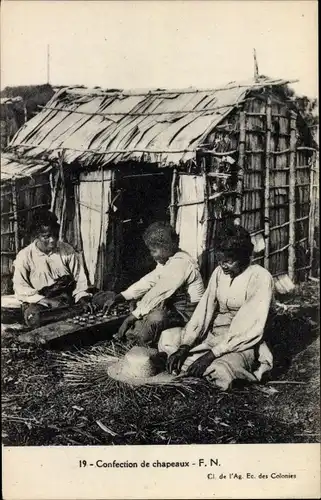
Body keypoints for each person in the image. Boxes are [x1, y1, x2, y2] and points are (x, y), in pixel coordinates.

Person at [163, 224, 274, 390]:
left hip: (242, 342)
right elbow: (203, 310)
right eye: (220, 261)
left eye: (228, 261)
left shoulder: (260, 278)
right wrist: (185, 345)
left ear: (243, 257)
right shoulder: (219, 273)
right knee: (167, 338)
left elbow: (248, 329)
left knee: (222, 371)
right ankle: (190, 362)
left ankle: (199, 364)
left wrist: (212, 354)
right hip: (213, 335)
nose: (223, 266)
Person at [104, 221, 205, 347]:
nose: (152, 255)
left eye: (153, 251)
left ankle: (131, 343)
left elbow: (158, 292)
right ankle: (130, 338)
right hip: (176, 310)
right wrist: (120, 297)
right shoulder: (169, 262)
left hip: (187, 315)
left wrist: (131, 318)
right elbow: (148, 281)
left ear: (165, 247)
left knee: (154, 318)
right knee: (142, 309)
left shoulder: (181, 263)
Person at [13, 210, 94, 327]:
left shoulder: (67, 250)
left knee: (104, 298)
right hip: (42, 302)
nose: (52, 240)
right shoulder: (25, 256)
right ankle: (74, 312)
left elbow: (80, 280)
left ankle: (73, 311)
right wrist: (49, 302)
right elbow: (20, 289)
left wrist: (82, 297)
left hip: (68, 297)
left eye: (55, 235)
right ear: (36, 236)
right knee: (34, 316)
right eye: (46, 237)